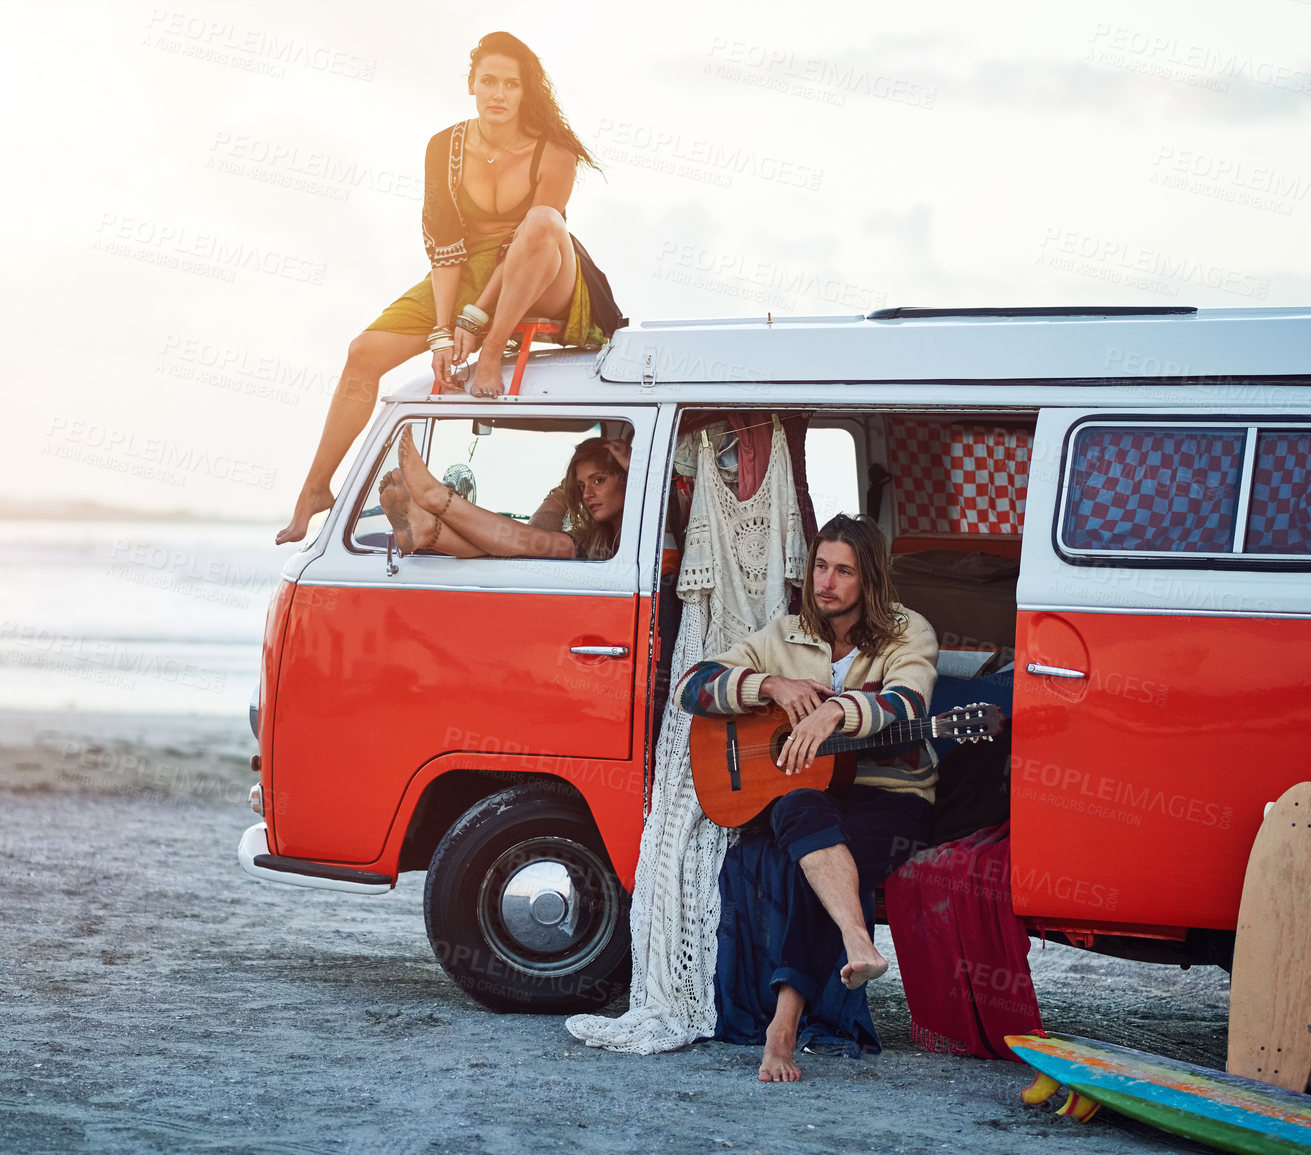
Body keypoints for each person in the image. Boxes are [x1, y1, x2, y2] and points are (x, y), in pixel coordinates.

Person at [275, 31, 626, 546]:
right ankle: (315, 489)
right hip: (464, 270)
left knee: (544, 221)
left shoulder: (556, 153)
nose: (498, 93)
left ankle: (489, 355)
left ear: (526, 91)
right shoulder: (445, 147)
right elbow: (444, 247)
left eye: (511, 83)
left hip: (544, 270)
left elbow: (537, 234)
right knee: (362, 352)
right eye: (488, 81)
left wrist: (478, 326)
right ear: (471, 85)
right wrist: (443, 332)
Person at [675, 514, 939, 1082]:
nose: (827, 582)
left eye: (844, 571)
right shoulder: (784, 634)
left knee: (804, 868)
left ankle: (782, 1028)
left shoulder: (907, 631)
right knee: (798, 807)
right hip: (812, 796)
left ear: (869, 579)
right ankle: (854, 940)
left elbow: (909, 702)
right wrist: (770, 685)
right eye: (821, 566)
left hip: (891, 797)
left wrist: (837, 710)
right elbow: (691, 686)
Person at [380, 430, 628, 560]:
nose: (588, 495)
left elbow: (540, 541)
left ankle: (435, 500)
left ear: (627, 477)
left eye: (599, 480)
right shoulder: (598, 536)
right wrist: (566, 489)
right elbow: (538, 533)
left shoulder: (654, 533)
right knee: (529, 545)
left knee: (542, 545)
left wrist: (637, 466)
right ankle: (426, 529)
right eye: (582, 487)